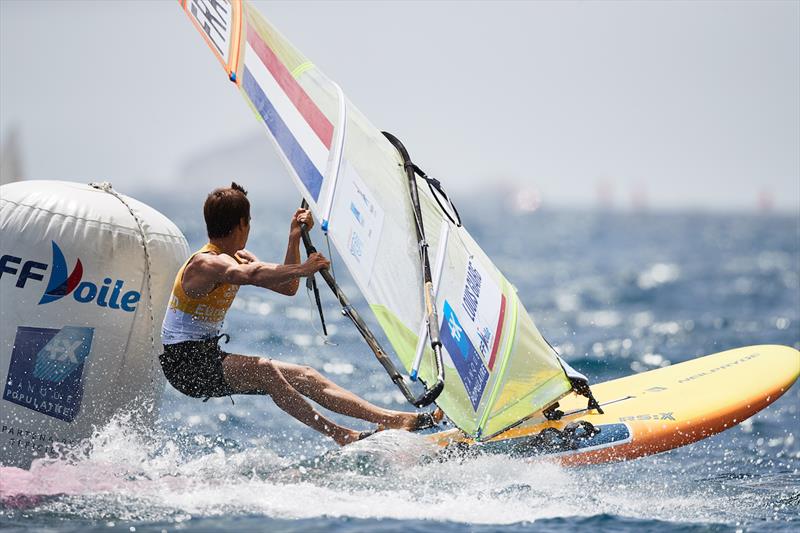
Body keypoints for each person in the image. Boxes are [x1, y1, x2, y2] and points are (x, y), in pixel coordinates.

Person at [159, 183, 440, 445]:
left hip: (207, 357)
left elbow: (287, 287)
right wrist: (304, 267)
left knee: (306, 375)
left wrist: (293, 238)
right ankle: (342, 435)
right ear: (242, 224)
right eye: (249, 222)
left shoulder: (238, 257)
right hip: (185, 365)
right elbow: (249, 275)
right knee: (265, 369)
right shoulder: (204, 263)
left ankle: (395, 420)